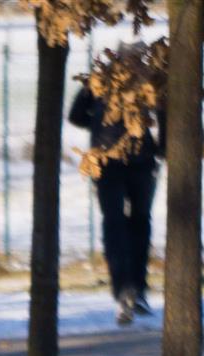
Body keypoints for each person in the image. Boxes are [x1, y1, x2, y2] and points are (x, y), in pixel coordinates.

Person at [67, 81, 160, 325]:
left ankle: (122, 289)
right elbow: (163, 114)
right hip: (142, 161)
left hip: (106, 162)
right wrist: (159, 147)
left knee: (114, 224)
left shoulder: (98, 82)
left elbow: (75, 116)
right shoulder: (146, 81)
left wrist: (100, 124)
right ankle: (138, 290)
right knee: (140, 224)